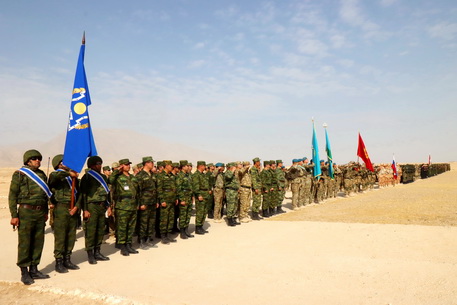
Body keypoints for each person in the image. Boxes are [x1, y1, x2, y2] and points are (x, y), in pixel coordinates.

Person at [9, 149, 51, 285]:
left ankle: (34, 268)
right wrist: (14, 215)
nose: (38, 160)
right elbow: (12, 196)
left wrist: (46, 212)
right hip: (26, 212)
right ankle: (24, 272)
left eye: (39, 158)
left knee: (38, 241)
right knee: (25, 242)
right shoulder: (20, 174)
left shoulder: (42, 175)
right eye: (34, 158)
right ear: (28, 161)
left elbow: (45, 197)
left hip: (40, 213)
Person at [48, 154, 80, 273]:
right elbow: (54, 177)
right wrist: (69, 173)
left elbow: (79, 193)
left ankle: (67, 259)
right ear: (59, 164)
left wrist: (77, 207)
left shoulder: (73, 177)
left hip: (72, 208)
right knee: (61, 236)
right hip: (61, 208)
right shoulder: (56, 175)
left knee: (71, 235)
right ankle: (59, 261)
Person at [80, 156, 112, 263]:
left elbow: (107, 193)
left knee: (100, 230)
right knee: (91, 230)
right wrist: (85, 209)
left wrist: (108, 206)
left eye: (101, 163)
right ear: (92, 165)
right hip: (91, 206)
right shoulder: (87, 177)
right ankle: (90, 254)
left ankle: (97, 252)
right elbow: (83, 195)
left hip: (101, 206)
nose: (100, 165)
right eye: (98, 163)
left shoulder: (103, 177)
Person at [109, 158, 139, 256]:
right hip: (122, 206)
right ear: (121, 166)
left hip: (133, 204)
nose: (128, 166)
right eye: (126, 165)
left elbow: (137, 191)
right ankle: (122, 246)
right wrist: (117, 170)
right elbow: (110, 180)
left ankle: (129, 244)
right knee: (122, 227)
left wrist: (137, 203)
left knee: (131, 226)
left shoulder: (132, 177)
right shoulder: (117, 177)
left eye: (129, 164)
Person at [136, 156, 158, 249]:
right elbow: (138, 191)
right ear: (146, 163)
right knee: (143, 222)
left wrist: (156, 201)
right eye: (151, 162)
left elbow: (155, 189)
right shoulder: (140, 175)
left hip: (152, 202)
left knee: (151, 222)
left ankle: (148, 239)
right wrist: (140, 203)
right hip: (145, 202)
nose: (153, 164)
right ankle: (141, 241)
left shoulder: (152, 175)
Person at [157, 160, 178, 244]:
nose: (171, 167)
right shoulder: (161, 176)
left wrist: (175, 198)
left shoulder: (172, 176)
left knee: (170, 218)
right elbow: (159, 189)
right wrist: (162, 200)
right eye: (170, 165)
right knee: (164, 219)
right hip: (165, 200)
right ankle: (163, 236)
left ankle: (168, 234)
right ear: (166, 166)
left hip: (172, 200)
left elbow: (174, 188)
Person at [176, 160, 194, 239]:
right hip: (183, 197)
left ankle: (186, 230)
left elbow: (191, 187)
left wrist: (192, 196)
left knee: (188, 214)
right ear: (183, 167)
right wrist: (181, 199)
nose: (188, 167)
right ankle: (182, 231)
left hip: (189, 197)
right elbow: (178, 188)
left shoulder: (188, 175)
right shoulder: (180, 176)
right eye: (186, 166)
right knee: (183, 215)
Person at [192, 161, 211, 234]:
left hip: (205, 195)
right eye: (204, 166)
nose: (205, 167)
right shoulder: (196, 175)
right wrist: (198, 195)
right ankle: (198, 227)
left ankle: (201, 226)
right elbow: (196, 187)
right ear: (200, 166)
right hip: (201, 195)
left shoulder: (203, 175)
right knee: (200, 212)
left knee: (204, 212)